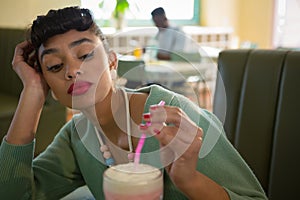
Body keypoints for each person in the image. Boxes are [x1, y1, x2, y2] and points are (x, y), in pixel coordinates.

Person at [0, 6, 268, 200]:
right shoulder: (76, 138)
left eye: (85, 54)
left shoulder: (176, 118)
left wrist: (190, 181)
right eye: (55, 66)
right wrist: (32, 94)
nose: (72, 71)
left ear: (113, 62)